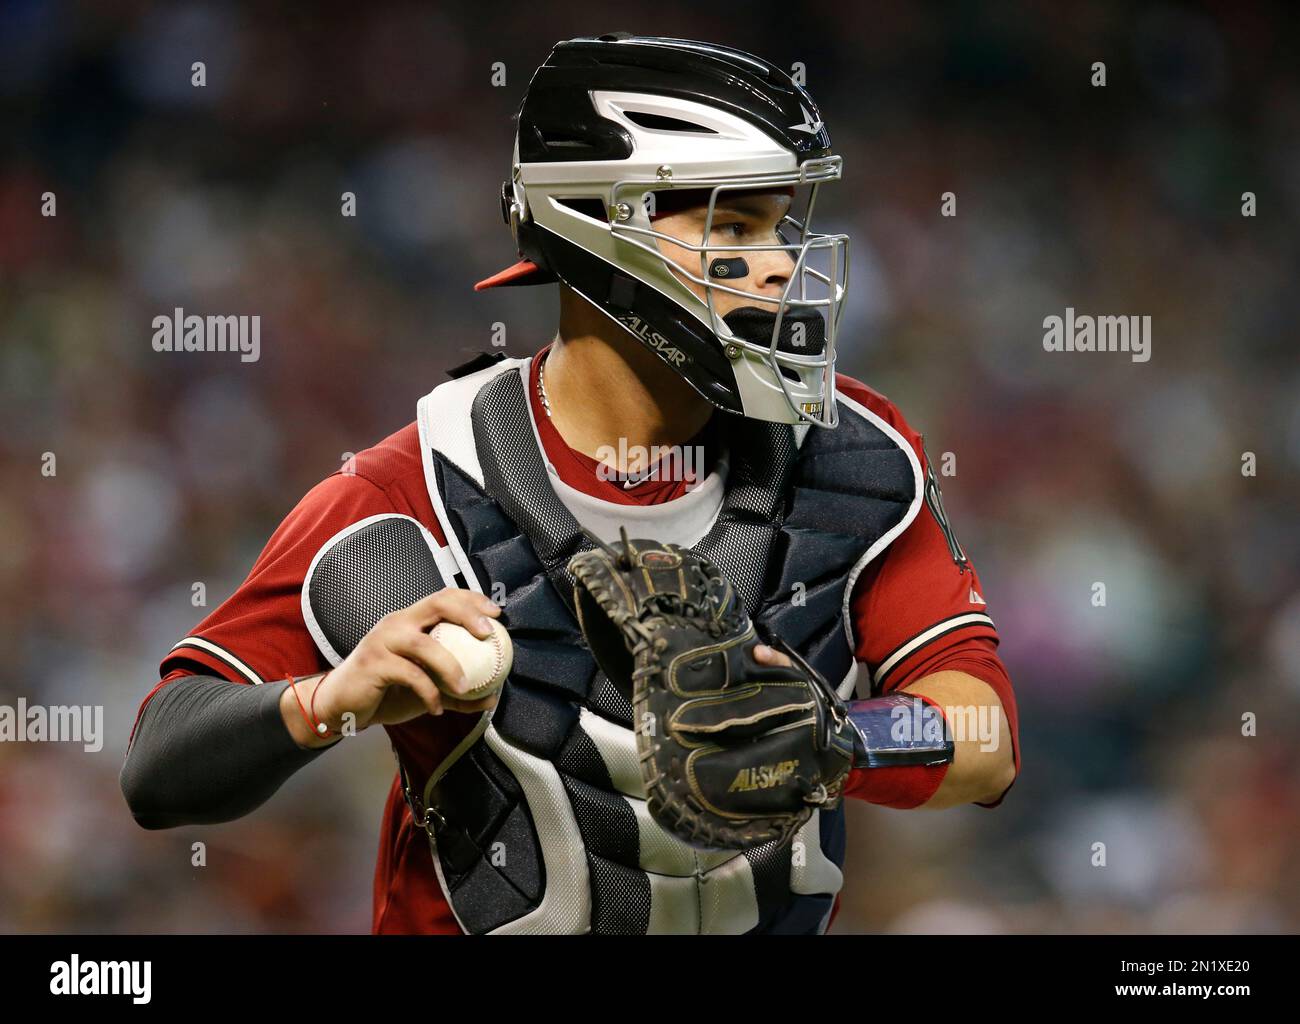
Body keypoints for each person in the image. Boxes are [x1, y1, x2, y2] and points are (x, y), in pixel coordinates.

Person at [121, 32, 1019, 935]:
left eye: (781, 224)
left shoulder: (849, 457)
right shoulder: (410, 493)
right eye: (733, 224)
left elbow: (987, 738)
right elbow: (159, 765)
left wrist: (838, 742)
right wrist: (321, 702)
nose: (783, 262)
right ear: (597, 226)